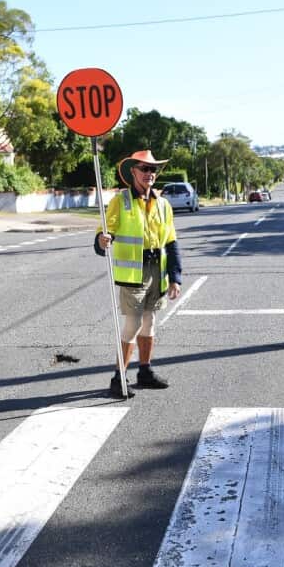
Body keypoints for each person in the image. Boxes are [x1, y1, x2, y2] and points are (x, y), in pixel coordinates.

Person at [95, 149, 183, 399]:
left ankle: (144, 371)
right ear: (132, 171)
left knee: (150, 321)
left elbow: (172, 242)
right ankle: (118, 377)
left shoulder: (164, 205)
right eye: (144, 168)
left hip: (158, 270)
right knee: (133, 323)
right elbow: (106, 232)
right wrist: (103, 240)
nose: (149, 173)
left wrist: (175, 277)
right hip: (134, 273)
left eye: (152, 169)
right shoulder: (120, 201)